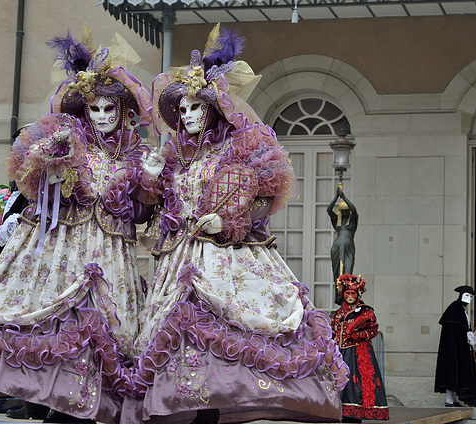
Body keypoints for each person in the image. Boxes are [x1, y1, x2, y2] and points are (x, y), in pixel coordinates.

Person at [0, 28, 158, 424]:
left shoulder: (136, 155)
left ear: (123, 113)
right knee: (55, 322)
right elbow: (36, 186)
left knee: (104, 328)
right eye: (95, 109)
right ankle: (53, 400)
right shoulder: (67, 141)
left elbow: (139, 215)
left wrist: (149, 182)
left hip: (112, 255)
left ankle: (91, 403)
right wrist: (52, 167)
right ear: (84, 110)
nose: (101, 117)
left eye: (109, 110)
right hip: (64, 250)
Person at [121, 25, 349, 424]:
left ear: (213, 109)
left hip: (230, 258)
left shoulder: (239, 147)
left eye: (197, 108)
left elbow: (261, 201)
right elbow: (152, 209)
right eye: (184, 109)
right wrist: (153, 177)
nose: (188, 115)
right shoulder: (175, 156)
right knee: (179, 331)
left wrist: (227, 220)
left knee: (229, 328)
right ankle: (185, 407)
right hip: (180, 258)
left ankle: (221, 407)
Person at [331, 274, 389, 422]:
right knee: (339, 390)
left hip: (356, 355)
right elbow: (333, 331)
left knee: (355, 389)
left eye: (353, 293)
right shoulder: (339, 313)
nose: (350, 296)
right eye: (347, 293)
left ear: (358, 294)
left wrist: (358, 335)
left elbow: (373, 330)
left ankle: (354, 418)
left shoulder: (365, 311)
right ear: (343, 294)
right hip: (339, 355)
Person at [434, 285, 476, 407]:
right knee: (451, 372)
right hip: (452, 349)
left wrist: (468, 334)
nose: (469, 299)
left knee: (458, 372)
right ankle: (449, 400)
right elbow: (452, 331)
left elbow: (462, 327)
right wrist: (464, 335)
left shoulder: (461, 310)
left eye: (471, 297)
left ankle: (453, 400)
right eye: (467, 296)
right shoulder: (454, 309)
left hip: (460, 348)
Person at [327, 187, 359, 305]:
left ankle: (347, 295)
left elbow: (354, 210)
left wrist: (344, 196)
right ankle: (339, 297)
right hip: (337, 246)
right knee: (337, 272)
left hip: (349, 247)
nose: (345, 212)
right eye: (343, 210)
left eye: (347, 210)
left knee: (348, 271)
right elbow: (329, 210)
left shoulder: (353, 221)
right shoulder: (337, 220)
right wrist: (336, 197)